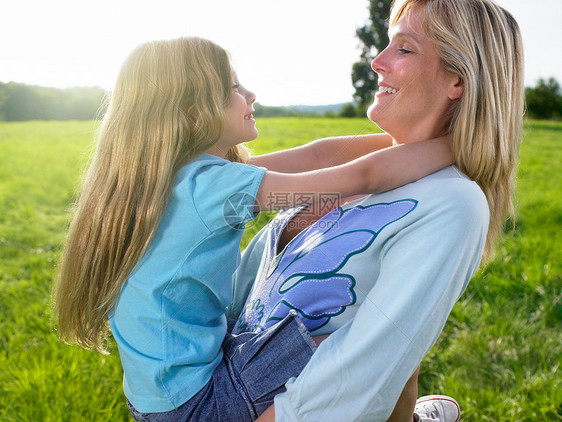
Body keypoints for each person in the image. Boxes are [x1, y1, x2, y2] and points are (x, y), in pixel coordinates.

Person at [51, 37, 454, 421]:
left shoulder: (167, 179)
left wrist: (408, 142)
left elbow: (318, 154)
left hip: (160, 402)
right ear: (192, 113)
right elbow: (361, 179)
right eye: (234, 86)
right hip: (202, 404)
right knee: (383, 348)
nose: (251, 94)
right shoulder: (214, 186)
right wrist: (462, 145)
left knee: (375, 351)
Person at [232, 0, 524, 421]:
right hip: (221, 383)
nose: (377, 61)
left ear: (458, 79)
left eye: (403, 49)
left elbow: (357, 379)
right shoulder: (363, 166)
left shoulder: (453, 203)